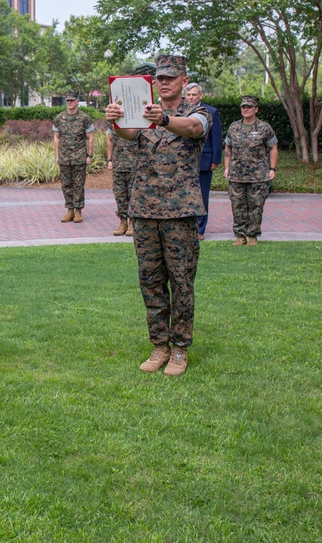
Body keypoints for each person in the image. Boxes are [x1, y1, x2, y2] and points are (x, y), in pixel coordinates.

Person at [105, 55, 209, 377]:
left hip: (180, 211)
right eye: (159, 78)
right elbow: (129, 135)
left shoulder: (197, 112)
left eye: (170, 77)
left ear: (183, 80)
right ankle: (159, 345)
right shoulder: (142, 108)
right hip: (145, 209)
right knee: (150, 281)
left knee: (181, 282)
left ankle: (179, 349)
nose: (163, 82)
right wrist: (115, 121)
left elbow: (193, 129)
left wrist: (163, 119)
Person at [224, 96, 278, 246]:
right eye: (243, 107)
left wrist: (272, 168)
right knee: (237, 206)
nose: (245, 109)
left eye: (249, 107)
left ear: (256, 109)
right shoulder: (234, 127)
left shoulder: (264, 127)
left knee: (256, 206)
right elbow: (228, 148)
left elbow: (273, 147)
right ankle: (240, 236)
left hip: (258, 175)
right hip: (236, 174)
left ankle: (253, 235)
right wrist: (227, 167)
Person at [185, 83, 222, 240]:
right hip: (184, 161)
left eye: (194, 95)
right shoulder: (181, 111)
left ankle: (200, 230)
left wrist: (215, 160)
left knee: (201, 196)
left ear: (200, 95)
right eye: (188, 95)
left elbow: (217, 137)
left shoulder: (211, 112)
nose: (191, 97)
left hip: (204, 161)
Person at [53, 90, 95, 223]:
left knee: (78, 184)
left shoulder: (85, 118)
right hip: (65, 156)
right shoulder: (59, 118)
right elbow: (56, 137)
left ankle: (78, 211)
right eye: (68, 100)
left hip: (79, 156)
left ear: (77, 101)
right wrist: (57, 155)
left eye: (72, 100)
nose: (70, 103)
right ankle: (69, 210)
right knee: (66, 184)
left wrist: (90, 155)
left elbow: (91, 138)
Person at [106, 118, 138, 237]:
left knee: (133, 194)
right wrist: (109, 159)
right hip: (118, 163)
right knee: (119, 194)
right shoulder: (114, 121)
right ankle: (122, 222)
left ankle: (132, 222)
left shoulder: (137, 120)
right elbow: (110, 140)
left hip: (135, 164)